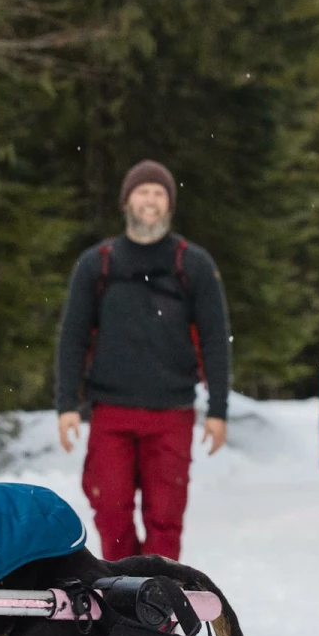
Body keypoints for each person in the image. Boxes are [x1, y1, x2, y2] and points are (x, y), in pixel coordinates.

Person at [53, 160, 232, 561]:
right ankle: (122, 596)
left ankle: (157, 607)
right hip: (110, 413)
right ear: (126, 201)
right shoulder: (96, 263)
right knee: (110, 510)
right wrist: (66, 403)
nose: (150, 200)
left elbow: (215, 340)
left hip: (172, 413)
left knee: (165, 518)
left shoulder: (194, 264)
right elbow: (73, 338)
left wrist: (218, 409)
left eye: (159, 192)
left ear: (169, 204)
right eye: (142, 191)